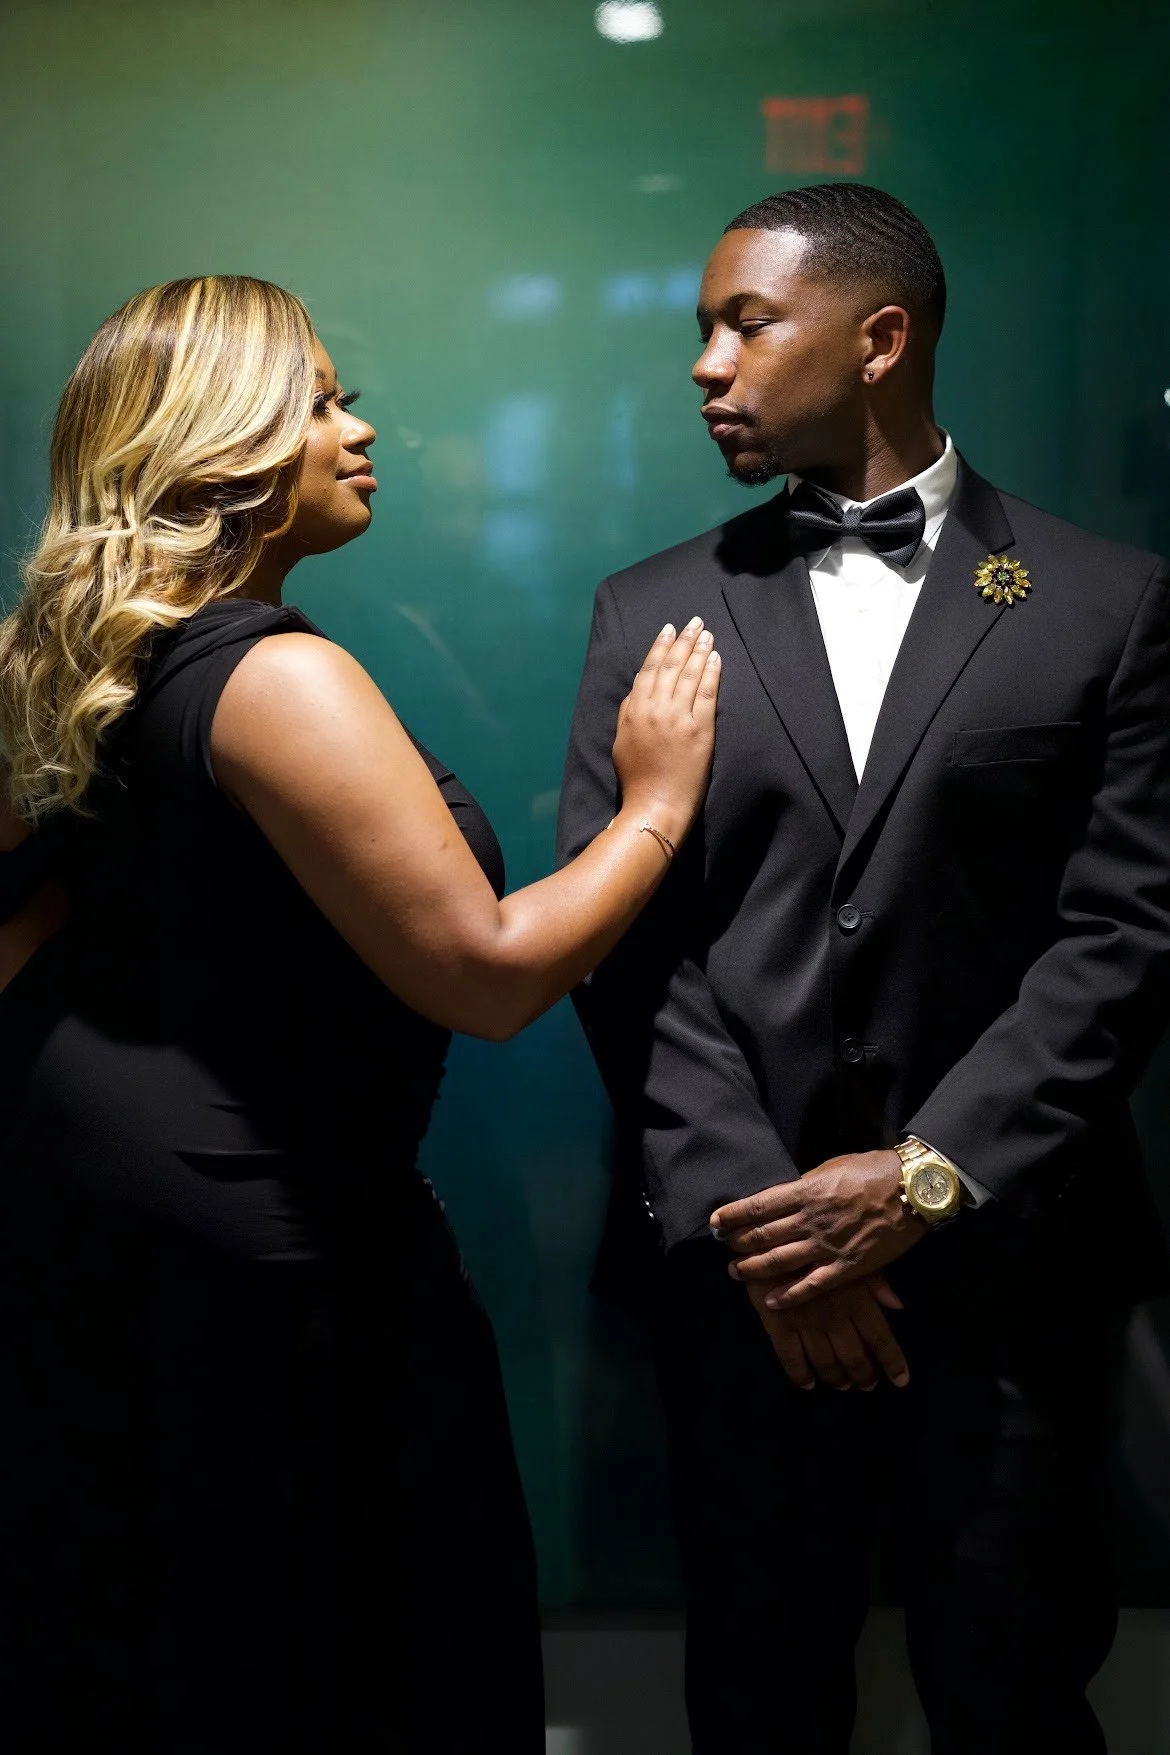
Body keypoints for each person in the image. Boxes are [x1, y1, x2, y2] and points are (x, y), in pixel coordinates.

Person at [0, 274, 721, 1755]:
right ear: (230, 443)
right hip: (278, 1264)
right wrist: (653, 808)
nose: (361, 427)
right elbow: (490, 973)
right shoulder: (280, 676)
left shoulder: (61, 661)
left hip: (102, 1246)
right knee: (367, 1662)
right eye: (323, 399)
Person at [557, 182, 1170, 1755]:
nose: (705, 362)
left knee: (1015, 1692)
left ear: (879, 336)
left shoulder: (1107, 603)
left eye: (743, 322)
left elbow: (1123, 931)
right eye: (702, 327)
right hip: (742, 1286)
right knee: (757, 1701)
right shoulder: (650, 607)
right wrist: (772, 1232)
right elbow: (625, 945)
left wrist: (926, 1177)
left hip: (1011, 1271)